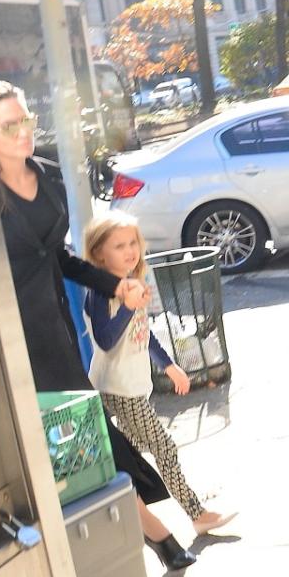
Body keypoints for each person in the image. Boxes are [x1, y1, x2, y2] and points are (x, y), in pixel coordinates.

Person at [0, 80, 195, 571]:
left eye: (26, 121)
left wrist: (113, 285)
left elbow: (57, 257)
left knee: (83, 430)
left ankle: (148, 533)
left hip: (50, 327)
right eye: (8, 125)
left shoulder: (50, 175)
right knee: (49, 442)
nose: (22, 132)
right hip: (2, 336)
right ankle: (142, 539)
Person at [82, 211, 238, 547]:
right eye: (119, 245)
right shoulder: (101, 293)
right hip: (118, 389)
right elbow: (106, 340)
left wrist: (168, 365)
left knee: (132, 457)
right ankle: (197, 515)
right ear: (98, 254)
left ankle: (128, 520)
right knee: (164, 448)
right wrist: (126, 305)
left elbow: (144, 333)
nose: (130, 251)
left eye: (133, 243)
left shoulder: (132, 284)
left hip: (135, 385)